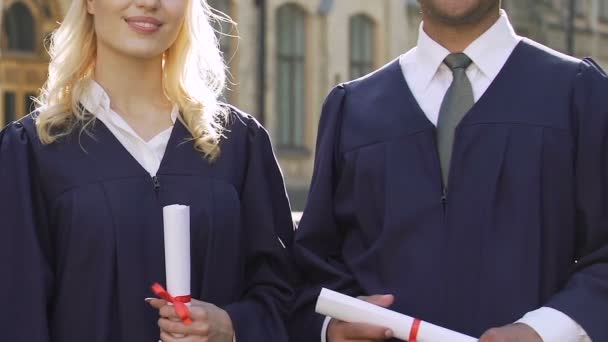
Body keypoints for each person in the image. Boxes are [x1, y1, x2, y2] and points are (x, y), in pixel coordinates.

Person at [291, 1, 608, 341]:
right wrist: (332, 328)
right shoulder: (353, 109)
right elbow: (313, 270)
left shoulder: (577, 94)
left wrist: (545, 331)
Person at [0, 0, 295, 340]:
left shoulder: (240, 144)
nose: (149, 3)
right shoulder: (33, 151)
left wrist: (232, 327)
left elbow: (284, 295)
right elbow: (15, 316)